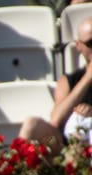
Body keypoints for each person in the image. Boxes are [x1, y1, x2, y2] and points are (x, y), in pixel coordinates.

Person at [18, 16, 92, 154]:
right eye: (91, 43)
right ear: (79, 46)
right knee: (32, 125)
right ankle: (16, 170)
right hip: (67, 147)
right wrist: (88, 78)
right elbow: (56, 120)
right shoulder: (68, 81)